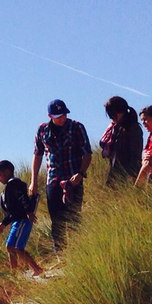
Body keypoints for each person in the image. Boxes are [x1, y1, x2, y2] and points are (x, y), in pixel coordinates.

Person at [30, 99, 92, 251]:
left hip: (73, 179)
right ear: (50, 116)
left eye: (64, 114)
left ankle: (78, 251)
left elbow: (87, 153)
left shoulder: (76, 127)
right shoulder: (42, 130)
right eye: (58, 116)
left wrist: (80, 173)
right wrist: (33, 182)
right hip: (53, 180)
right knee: (56, 219)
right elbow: (37, 155)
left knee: (73, 216)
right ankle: (60, 253)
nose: (62, 118)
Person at [0, 160, 44, 277]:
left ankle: (37, 269)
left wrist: (29, 212)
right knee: (10, 246)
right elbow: (13, 211)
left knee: (17, 248)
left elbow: (23, 198)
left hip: (22, 220)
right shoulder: (8, 187)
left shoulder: (14, 184)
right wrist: (4, 223)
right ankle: (15, 273)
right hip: (17, 221)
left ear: (7, 172)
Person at [98, 96, 144, 184]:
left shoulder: (132, 128)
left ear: (118, 112)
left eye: (111, 114)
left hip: (126, 175)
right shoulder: (115, 128)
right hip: (115, 173)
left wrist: (132, 174)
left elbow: (135, 154)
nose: (110, 118)